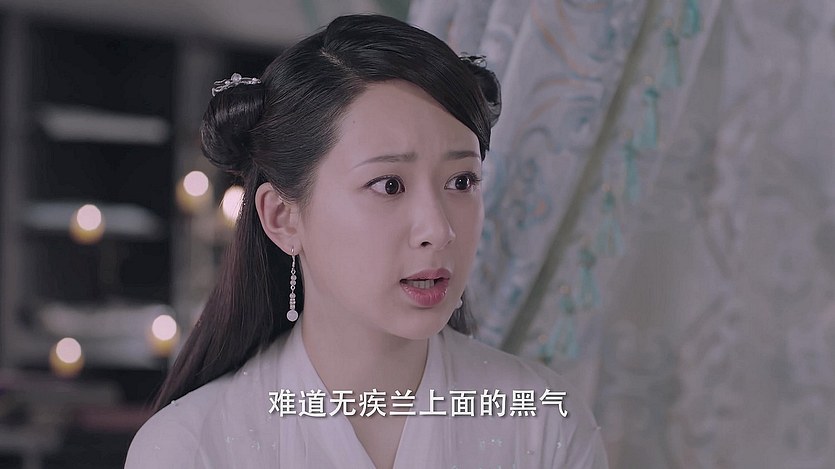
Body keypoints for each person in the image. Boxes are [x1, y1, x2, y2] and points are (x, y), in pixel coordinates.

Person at [126, 13, 607, 469]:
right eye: (389, 185)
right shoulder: (191, 448)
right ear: (282, 217)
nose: (439, 230)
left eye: (461, 182)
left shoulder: (545, 425)